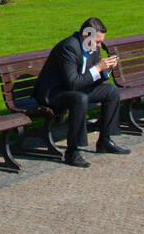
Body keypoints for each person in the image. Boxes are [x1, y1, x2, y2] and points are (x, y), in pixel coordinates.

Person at [33, 17, 126, 167]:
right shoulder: (68, 48)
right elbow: (73, 83)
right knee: (80, 98)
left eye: (101, 41)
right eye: (97, 41)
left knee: (111, 91)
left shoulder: (92, 48)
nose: (99, 45)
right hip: (54, 93)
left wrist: (106, 69)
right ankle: (72, 151)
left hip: (75, 89)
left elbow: (91, 79)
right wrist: (97, 68)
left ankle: (105, 140)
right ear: (86, 36)